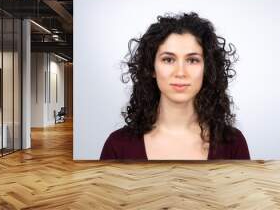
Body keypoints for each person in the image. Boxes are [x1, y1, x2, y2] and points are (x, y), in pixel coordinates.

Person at [100, 12, 250, 160]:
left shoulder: (233, 144)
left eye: (192, 60)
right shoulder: (118, 145)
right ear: (151, 68)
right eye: (168, 60)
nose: (180, 72)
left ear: (207, 69)